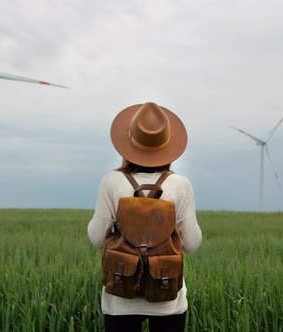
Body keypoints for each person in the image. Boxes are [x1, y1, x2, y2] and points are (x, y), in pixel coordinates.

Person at [87, 102, 203, 332]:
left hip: (120, 299)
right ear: (167, 146)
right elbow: (191, 244)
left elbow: (97, 238)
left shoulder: (111, 182)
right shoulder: (181, 185)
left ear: (129, 144)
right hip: (167, 297)